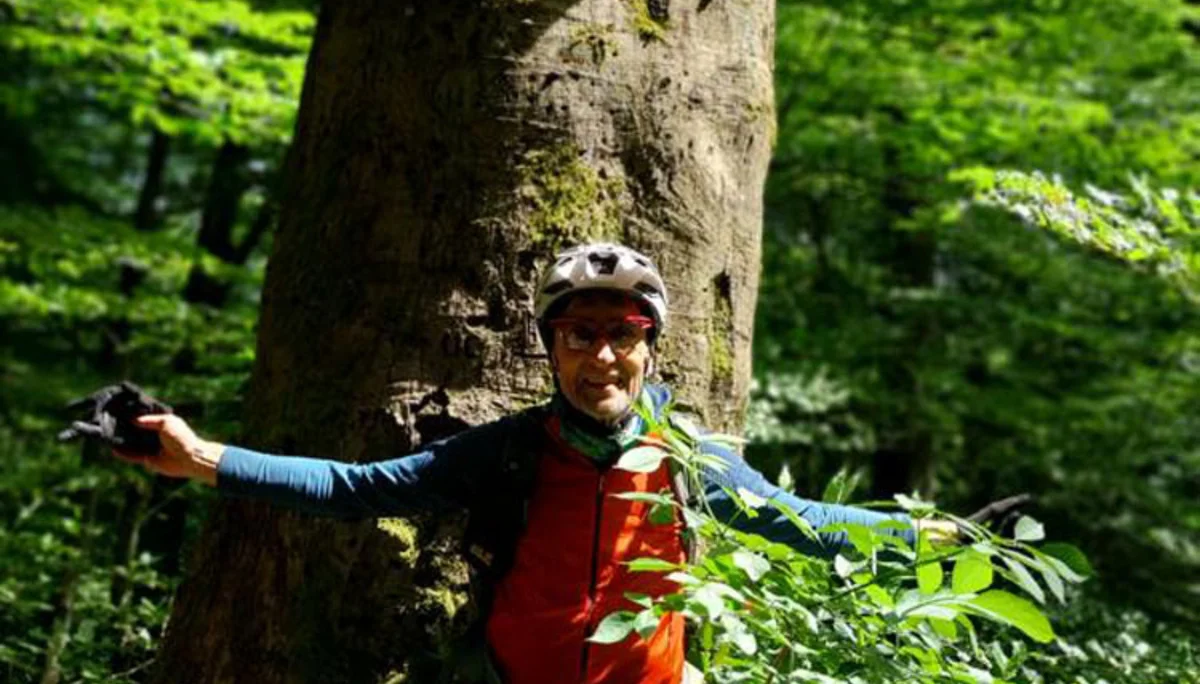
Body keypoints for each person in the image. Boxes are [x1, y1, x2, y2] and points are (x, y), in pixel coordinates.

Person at [115, 243, 957, 684]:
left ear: (649, 350)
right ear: (553, 348)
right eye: (580, 334)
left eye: (623, 334)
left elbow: (800, 522)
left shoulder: (687, 457)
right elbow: (358, 489)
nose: (603, 356)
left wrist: (931, 538)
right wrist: (204, 459)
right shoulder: (512, 449)